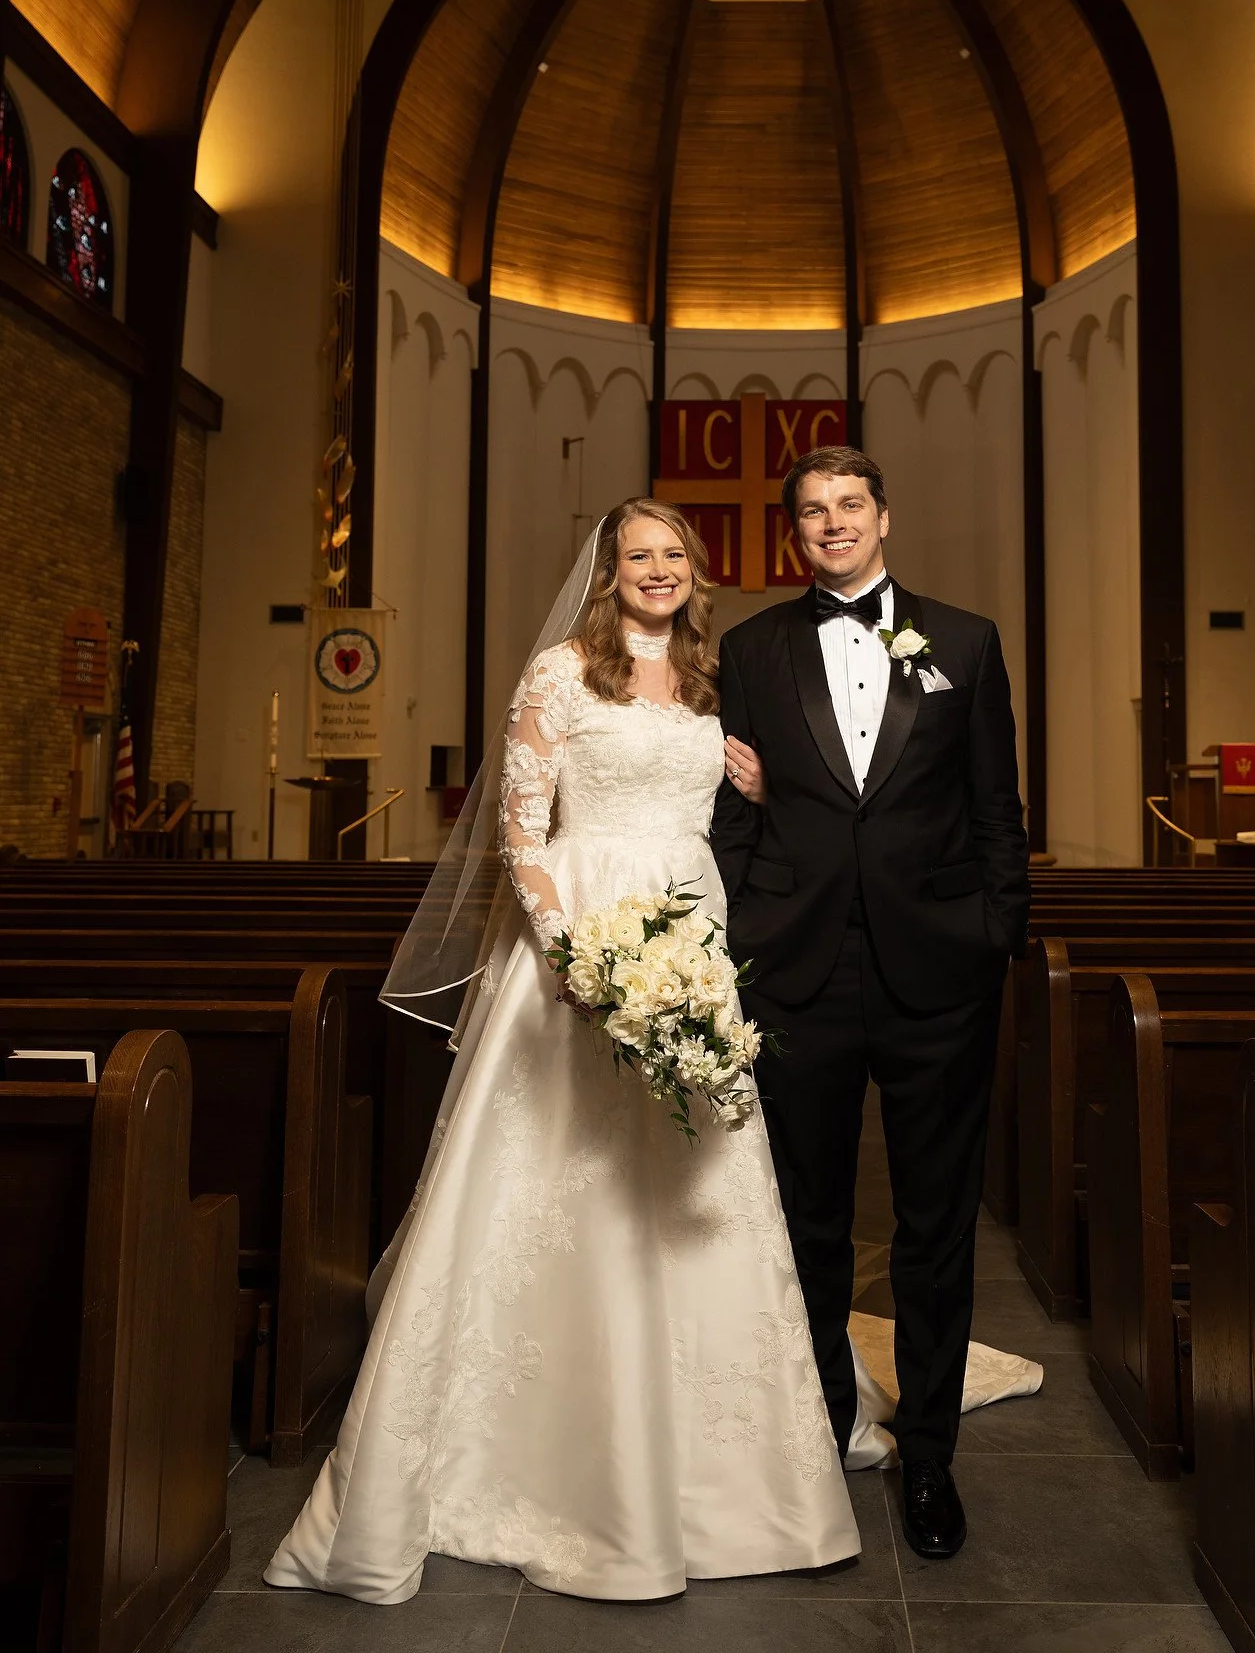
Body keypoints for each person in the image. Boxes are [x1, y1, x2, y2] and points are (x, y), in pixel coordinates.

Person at [264, 498, 859, 1603]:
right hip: (581, 935)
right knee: (557, 1177)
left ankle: (722, 1460)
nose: (658, 569)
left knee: (698, 1177)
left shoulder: (715, 678)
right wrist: (574, 956)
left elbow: (739, 807)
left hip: (693, 924)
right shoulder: (557, 672)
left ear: (695, 568)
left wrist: (764, 793)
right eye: (638, 554)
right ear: (608, 570)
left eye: (674, 553)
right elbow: (519, 830)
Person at [711, 446, 1029, 1559]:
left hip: (940, 969)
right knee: (808, 1220)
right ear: (792, 532)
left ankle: (931, 1456)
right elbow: (734, 809)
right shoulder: (750, 649)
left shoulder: (968, 639)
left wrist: (997, 935)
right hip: (800, 966)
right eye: (811, 511)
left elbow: (998, 805)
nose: (832, 523)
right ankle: (821, 1436)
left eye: (851, 504)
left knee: (938, 1224)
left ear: (884, 515)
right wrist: (743, 929)